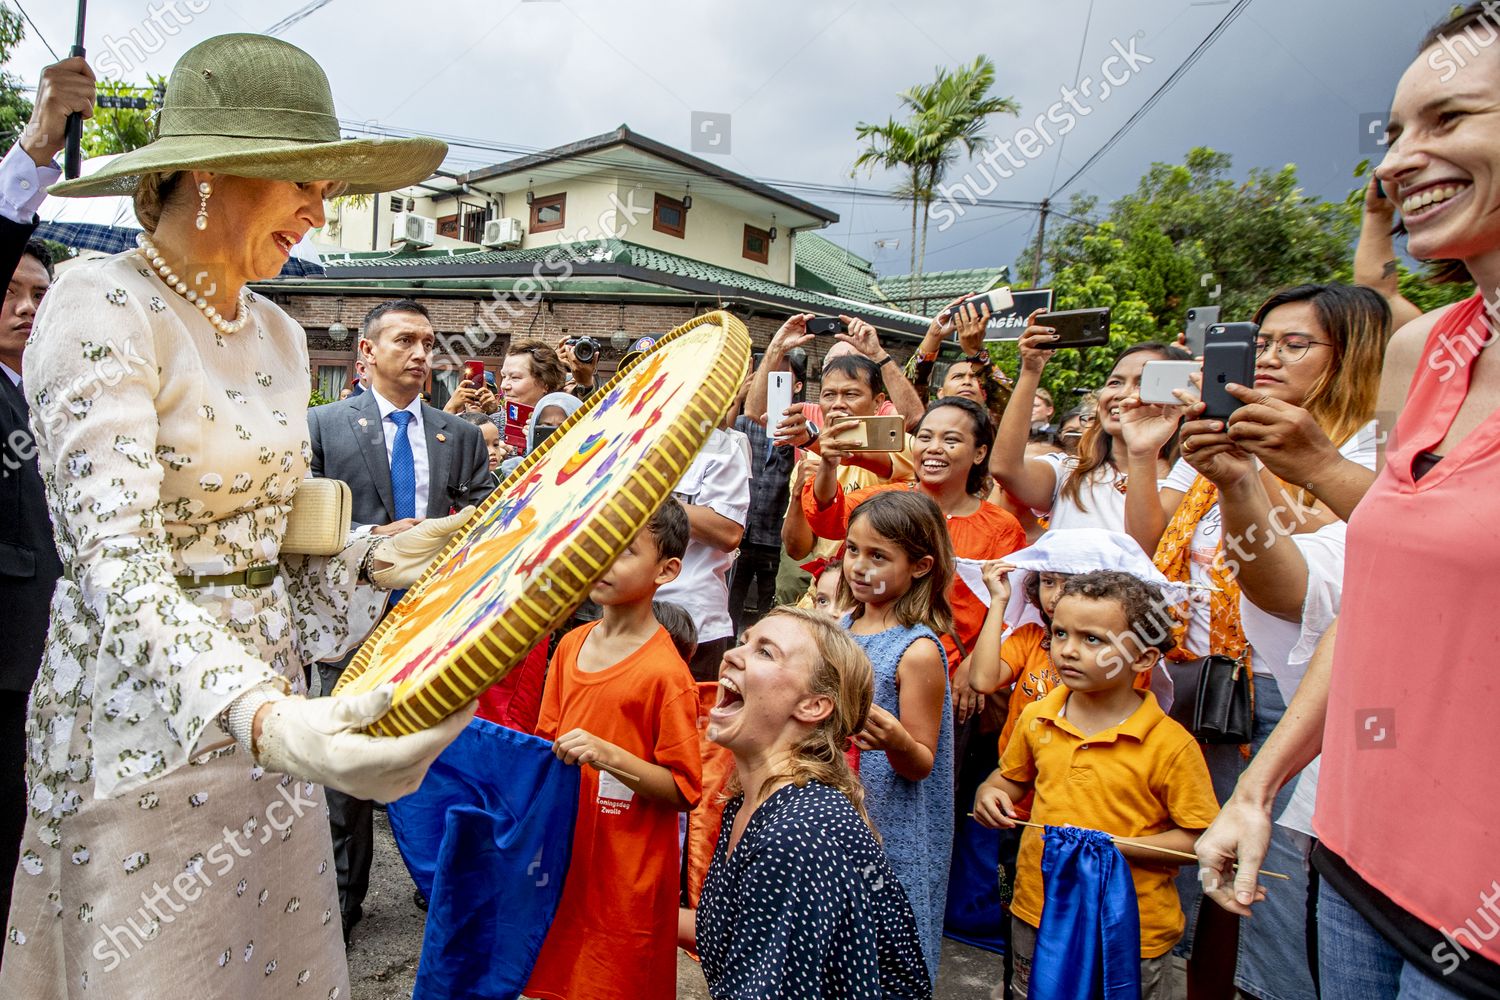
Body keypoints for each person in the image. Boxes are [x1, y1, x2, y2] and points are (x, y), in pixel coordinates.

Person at [0, 34, 474, 998]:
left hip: (269, 726)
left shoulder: (281, 331)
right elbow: (115, 562)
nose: (320, 206)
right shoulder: (100, 304)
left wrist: (380, 557)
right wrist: (264, 715)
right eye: (302, 177)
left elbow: (267, 544)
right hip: (139, 732)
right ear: (209, 174)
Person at [1197, 7, 1500, 996]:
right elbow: (1371, 608)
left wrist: (1317, 466)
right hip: (1359, 858)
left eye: (1447, 119)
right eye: (1395, 135)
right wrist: (1260, 782)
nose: (1403, 162)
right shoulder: (1432, 351)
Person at [306, 298, 493, 939]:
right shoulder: (325, 427)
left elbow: (481, 522)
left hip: (434, 623)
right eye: (405, 340)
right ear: (366, 351)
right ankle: (341, 906)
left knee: (441, 758)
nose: (420, 354)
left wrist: (440, 542)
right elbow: (302, 520)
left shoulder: (460, 435)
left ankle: (445, 893)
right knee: (346, 765)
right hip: (350, 622)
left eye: (428, 342)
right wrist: (374, 539)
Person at [974, 571, 1219, 1000]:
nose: (1067, 650)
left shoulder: (1171, 746)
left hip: (1129, 925)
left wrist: (1113, 846)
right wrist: (989, 796)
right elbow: (1009, 780)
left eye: (1093, 640)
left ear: (1143, 659)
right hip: (1040, 910)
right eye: (1060, 633)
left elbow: (1199, 839)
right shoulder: (1037, 717)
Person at [690, 607, 932, 999]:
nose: (733, 655)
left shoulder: (798, 835)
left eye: (765, 652)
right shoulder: (751, 803)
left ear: (813, 706)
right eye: (744, 642)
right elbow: (732, 929)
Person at [527, 499, 703, 1000]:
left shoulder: (667, 675)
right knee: (558, 977)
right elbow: (545, 748)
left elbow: (684, 789)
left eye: (624, 550)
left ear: (666, 570)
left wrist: (609, 755)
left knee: (616, 981)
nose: (603, 559)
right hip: (569, 852)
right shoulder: (570, 645)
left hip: (629, 872)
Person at [0, 55, 95, 938]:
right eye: (12, 291)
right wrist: (36, 146)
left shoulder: (58, 397)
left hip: (57, 676)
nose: (30, 309)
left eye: (42, 294)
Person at [804, 396, 1026, 711]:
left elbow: (1012, 610)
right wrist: (828, 465)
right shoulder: (886, 501)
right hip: (870, 666)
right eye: (925, 437)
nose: (934, 448)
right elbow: (828, 518)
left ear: (980, 453)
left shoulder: (1002, 528)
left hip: (954, 681)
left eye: (950, 440)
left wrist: (974, 663)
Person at [837, 491, 955, 983]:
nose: (859, 567)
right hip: (839, 806)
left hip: (893, 820)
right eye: (851, 550)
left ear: (921, 565)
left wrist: (895, 740)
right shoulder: (838, 628)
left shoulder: (918, 650)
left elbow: (921, 762)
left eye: (878, 556)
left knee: (885, 938)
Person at [992, 319, 1189, 532]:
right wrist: (1031, 371)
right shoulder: (1069, 474)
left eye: (1143, 384)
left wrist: (1143, 454)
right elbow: (1005, 468)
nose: (1122, 394)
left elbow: (1149, 548)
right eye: (1115, 382)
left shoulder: (1189, 482)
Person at [656, 425, 750, 682]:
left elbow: (728, 531)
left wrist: (650, 495)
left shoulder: (719, 446)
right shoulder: (623, 438)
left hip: (692, 621)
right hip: (622, 611)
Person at [729, 350, 803, 633]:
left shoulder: (802, 424)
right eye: (770, 378)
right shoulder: (747, 421)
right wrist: (739, 397)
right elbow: (724, 439)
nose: (776, 384)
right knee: (732, 601)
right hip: (742, 533)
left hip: (776, 535)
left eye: (783, 378)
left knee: (770, 608)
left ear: (796, 386)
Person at [500, 338, 568, 409]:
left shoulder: (569, 419)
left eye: (515, 377)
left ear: (545, 383)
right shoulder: (494, 419)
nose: (503, 386)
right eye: (504, 376)